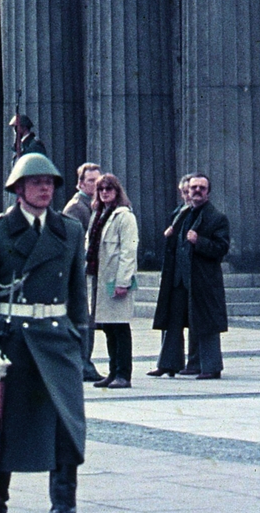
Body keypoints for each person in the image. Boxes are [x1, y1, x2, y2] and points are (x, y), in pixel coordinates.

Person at [0, 153, 92, 513]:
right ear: (18, 189)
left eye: (50, 183)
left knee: (66, 433)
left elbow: (76, 296)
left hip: (56, 343)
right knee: (1, 433)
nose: (44, 189)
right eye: (36, 182)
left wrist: (79, 344)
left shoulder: (69, 231)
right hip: (10, 345)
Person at [150, 173, 230, 379]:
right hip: (178, 280)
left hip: (202, 281)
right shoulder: (182, 214)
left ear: (208, 193)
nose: (196, 191)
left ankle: (211, 367)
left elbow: (221, 248)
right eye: (193, 187)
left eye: (201, 188)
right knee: (173, 321)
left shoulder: (216, 218)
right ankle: (169, 364)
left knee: (205, 322)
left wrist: (199, 241)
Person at [88, 173, 139, 388]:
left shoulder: (124, 216)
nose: (105, 192)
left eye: (109, 188)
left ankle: (123, 374)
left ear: (117, 191)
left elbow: (129, 250)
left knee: (119, 326)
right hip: (101, 276)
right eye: (101, 189)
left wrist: (123, 282)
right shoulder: (99, 214)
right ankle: (112, 371)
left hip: (117, 278)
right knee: (108, 326)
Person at [63, 162, 103, 382]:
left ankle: (84, 362)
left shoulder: (96, 205)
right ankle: (82, 364)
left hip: (90, 271)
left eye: (99, 180)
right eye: (91, 181)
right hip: (80, 273)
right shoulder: (76, 207)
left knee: (89, 319)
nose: (97, 185)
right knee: (83, 319)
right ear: (80, 183)